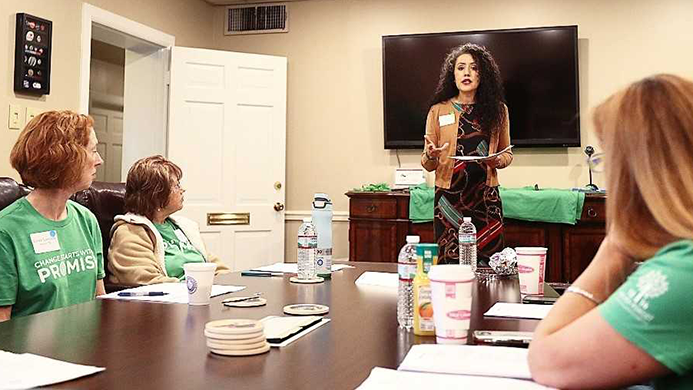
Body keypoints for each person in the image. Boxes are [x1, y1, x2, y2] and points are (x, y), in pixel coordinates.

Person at [528, 74, 693, 389]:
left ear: (637, 173)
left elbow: (548, 362)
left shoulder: (684, 271)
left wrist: (613, 252)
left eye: (609, 160)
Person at [0, 111, 105, 321]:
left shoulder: (87, 220)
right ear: (65, 158)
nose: (99, 160)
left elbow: (99, 301)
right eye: (92, 151)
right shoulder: (6, 231)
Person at [421, 43, 512, 266]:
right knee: (450, 264)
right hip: (448, 197)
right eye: (461, 68)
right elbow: (427, 162)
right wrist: (432, 155)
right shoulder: (438, 110)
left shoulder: (498, 110)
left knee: (489, 264)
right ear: (453, 75)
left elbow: (508, 153)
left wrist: (497, 159)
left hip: (485, 197)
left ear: (483, 75)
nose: (467, 73)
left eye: (474, 68)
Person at [108, 155, 230, 286]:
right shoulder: (130, 232)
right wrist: (196, 289)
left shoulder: (184, 227)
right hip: (168, 303)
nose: (182, 190)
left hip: (199, 295)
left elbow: (215, 268)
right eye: (176, 186)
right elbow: (147, 280)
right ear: (156, 195)